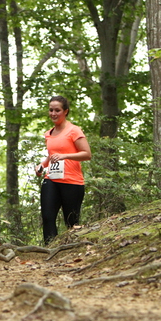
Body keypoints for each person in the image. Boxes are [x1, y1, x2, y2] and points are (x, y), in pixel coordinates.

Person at [35, 95, 92, 245]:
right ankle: (50, 249)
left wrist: (65, 156)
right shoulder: (49, 133)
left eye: (57, 110)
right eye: (51, 110)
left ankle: (72, 249)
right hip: (51, 179)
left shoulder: (74, 130)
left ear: (65, 111)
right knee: (48, 217)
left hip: (72, 181)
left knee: (71, 221)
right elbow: (52, 156)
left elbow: (87, 154)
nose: (53, 113)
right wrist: (42, 166)